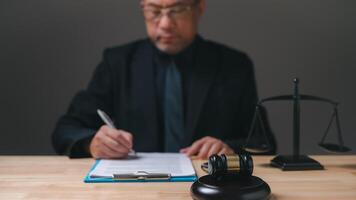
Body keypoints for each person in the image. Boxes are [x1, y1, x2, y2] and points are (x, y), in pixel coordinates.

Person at [52, 0, 276, 159]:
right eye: (154, 10)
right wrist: (92, 142)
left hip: (207, 185)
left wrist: (229, 148)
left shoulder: (234, 65)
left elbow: (263, 142)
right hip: (134, 189)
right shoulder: (117, 62)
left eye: (177, 9)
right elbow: (66, 129)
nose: (166, 24)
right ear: (143, 9)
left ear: (200, 8)